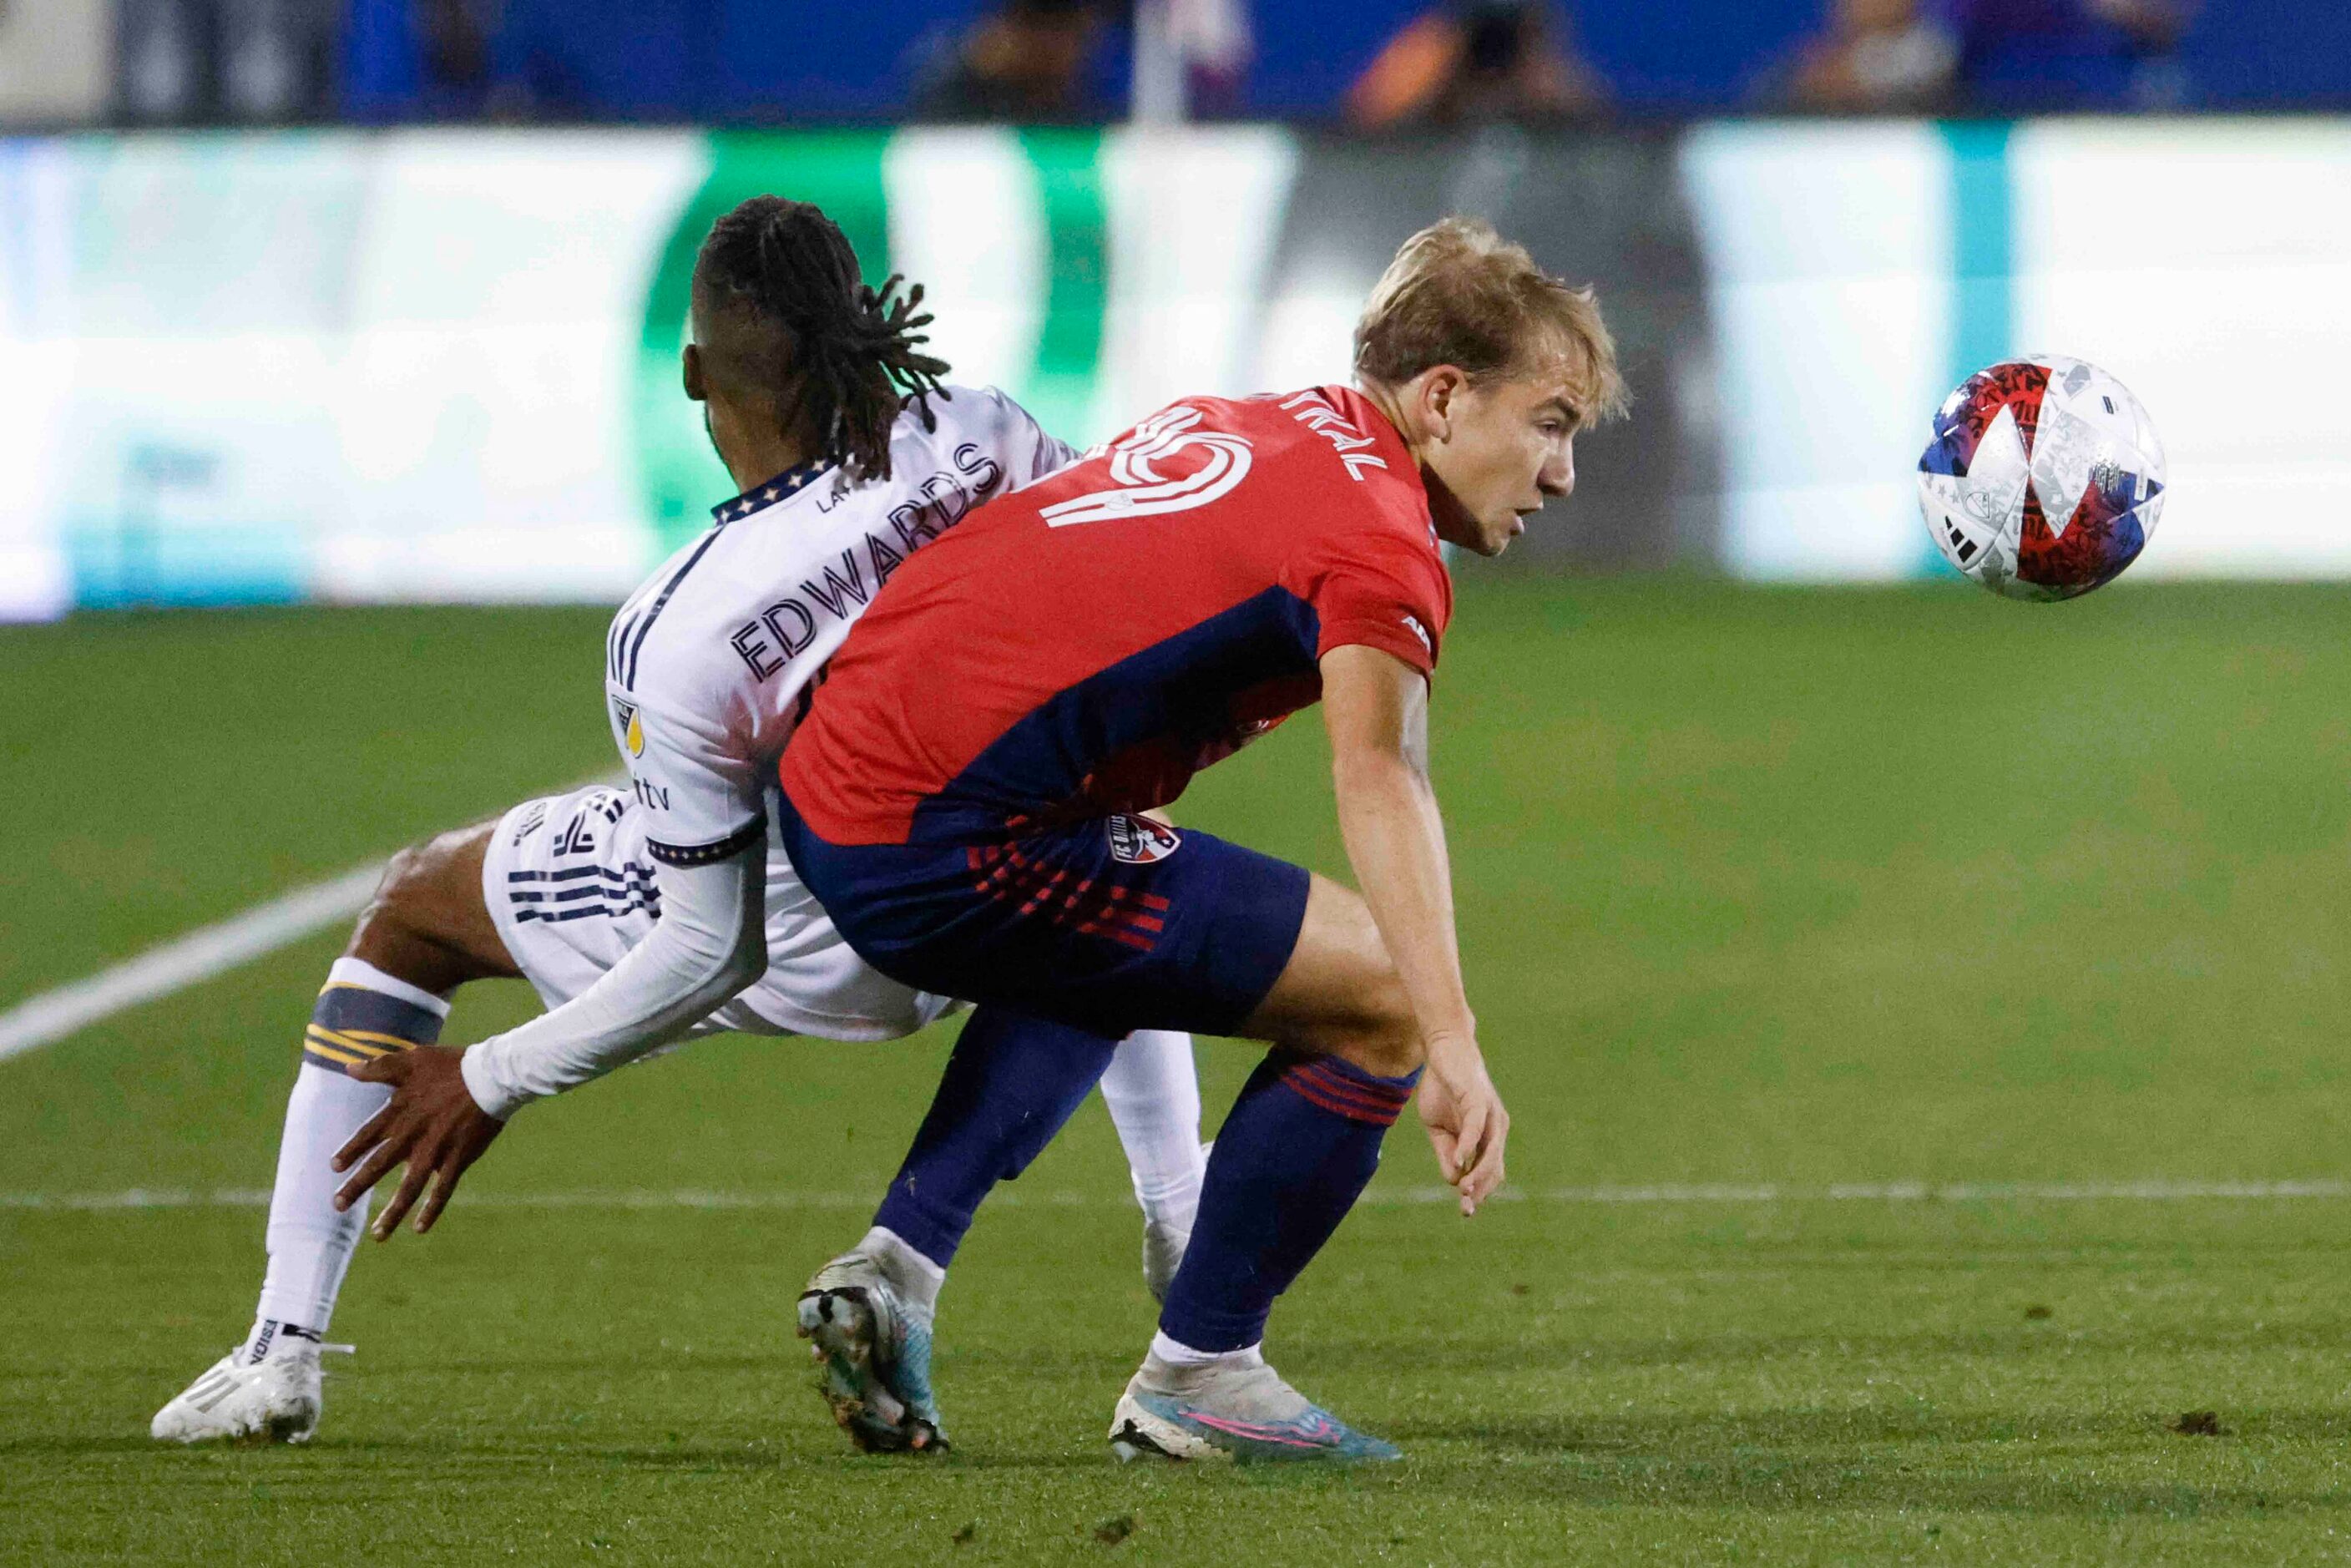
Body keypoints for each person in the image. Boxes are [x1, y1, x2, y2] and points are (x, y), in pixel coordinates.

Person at [149, 197, 1209, 1453]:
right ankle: (1179, 1214)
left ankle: (281, 1348)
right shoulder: (983, 432)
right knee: (1119, 838)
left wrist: (491, 1078)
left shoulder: (682, 626)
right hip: (1007, 893)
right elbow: (1116, 606)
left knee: (416, 906)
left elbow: (715, 948)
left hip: (825, 926)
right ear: (863, 330)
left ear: (697, 370)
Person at [775, 217, 1625, 1461]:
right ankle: (1202, 1369)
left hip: (835, 774)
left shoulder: (1259, 416)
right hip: (936, 837)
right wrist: (1449, 1036)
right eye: (1549, 422)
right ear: (1444, 397)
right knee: (1377, 994)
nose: (1561, 473)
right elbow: (1379, 774)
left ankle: (898, 1263)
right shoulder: (1379, 538)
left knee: (1137, 903)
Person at [1346, 2, 1606, 130]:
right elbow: (1360, 131)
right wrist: (1438, 70)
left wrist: (1551, 92)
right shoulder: (1431, 58)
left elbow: (1597, 138)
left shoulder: (1547, 79)